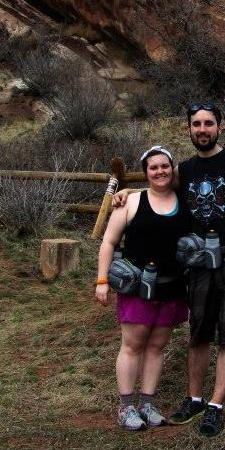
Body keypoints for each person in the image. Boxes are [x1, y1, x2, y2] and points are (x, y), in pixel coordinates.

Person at [113, 102, 225, 437]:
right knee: (198, 330)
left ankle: (215, 405)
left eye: (208, 123)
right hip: (197, 263)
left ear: (219, 127)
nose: (202, 129)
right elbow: (159, 186)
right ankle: (194, 398)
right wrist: (129, 192)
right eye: (196, 124)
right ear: (189, 129)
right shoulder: (186, 169)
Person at [95, 146, 189, 431]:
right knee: (133, 345)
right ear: (146, 172)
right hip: (137, 287)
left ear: (172, 169)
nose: (159, 171)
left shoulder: (183, 200)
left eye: (164, 166)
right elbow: (109, 242)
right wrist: (102, 280)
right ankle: (126, 407)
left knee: (158, 346)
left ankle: (148, 403)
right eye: (153, 167)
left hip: (171, 287)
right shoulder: (131, 202)